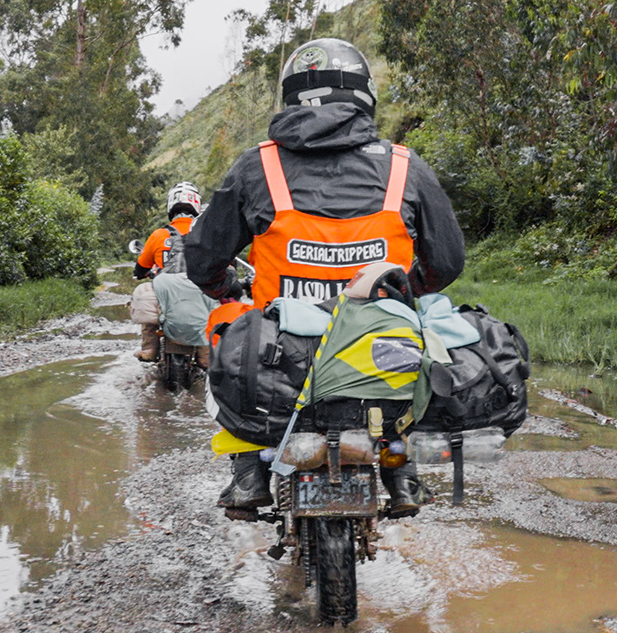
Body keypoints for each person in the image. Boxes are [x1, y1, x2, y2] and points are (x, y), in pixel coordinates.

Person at [185, 37, 466, 516]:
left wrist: (225, 288)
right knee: (419, 350)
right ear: (365, 95)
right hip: (381, 357)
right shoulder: (405, 167)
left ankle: (249, 473)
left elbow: (202, 259)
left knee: (224, 331)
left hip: (281, 360)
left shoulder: (258, 166)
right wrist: (403, 290)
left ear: (291, 97)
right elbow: (447, 262)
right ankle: (401, 473)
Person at [130, 182, 203, 362]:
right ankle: (206, 356)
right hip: (198, 292)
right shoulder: (207, 233)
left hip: (166, 292)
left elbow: (141, 267)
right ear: (196, 204)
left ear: (171, 206)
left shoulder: (159, 235)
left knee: (148, 303)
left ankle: (149, 349)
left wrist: (140, 273)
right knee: (210, 312)